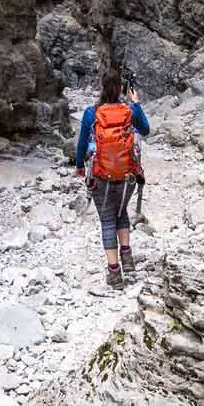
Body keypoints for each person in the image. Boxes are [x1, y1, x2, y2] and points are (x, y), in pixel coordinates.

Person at [74, 69, 150, 288]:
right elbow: (145, 129)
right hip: (127, 176)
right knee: (121, 213)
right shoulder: (128, 110)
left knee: (107, 220)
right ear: (121, 89)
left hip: (101, 175)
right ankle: (128, 260)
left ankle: (114, 273)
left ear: (101, 86)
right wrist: (136, 104)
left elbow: (81, 144)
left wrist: (80, 165)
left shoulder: (91, 113)